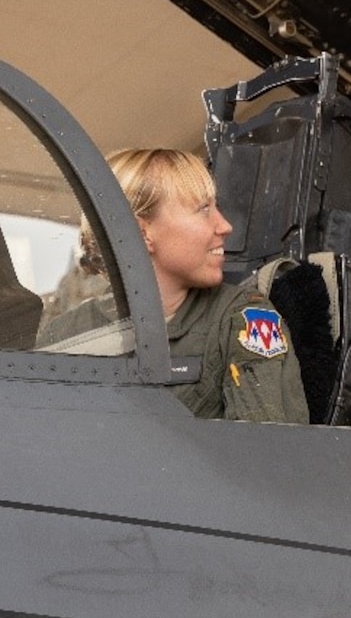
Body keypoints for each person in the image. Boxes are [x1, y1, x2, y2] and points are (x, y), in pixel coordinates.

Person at [102, 148, 310, 424]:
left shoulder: (242, 320)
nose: (225, 226)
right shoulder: (69, 332)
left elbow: (267, 454)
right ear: (143, 233)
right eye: (203, 209)